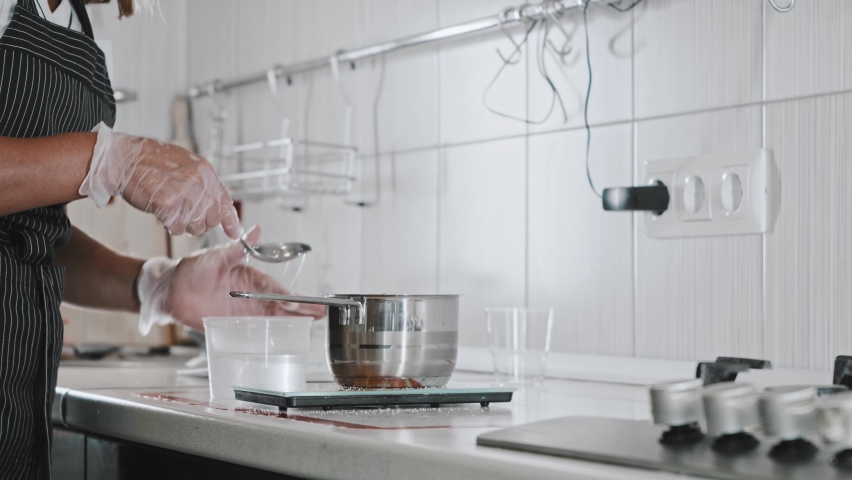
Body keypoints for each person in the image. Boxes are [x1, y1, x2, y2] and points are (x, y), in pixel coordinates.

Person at [0, 0, 324, 477]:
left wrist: (159, 286)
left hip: (19, 384)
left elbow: (28, 238)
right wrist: (105, 160)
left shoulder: (79, 21)